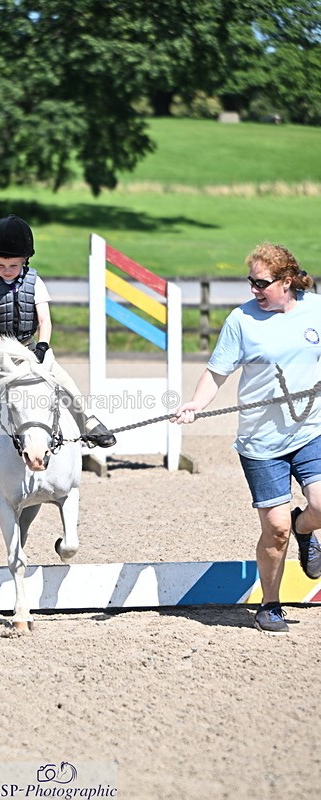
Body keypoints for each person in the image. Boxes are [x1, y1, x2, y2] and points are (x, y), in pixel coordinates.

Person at [174, 243, 321, 635]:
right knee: (275, 529)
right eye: (250, 282)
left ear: (287, 281)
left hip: (310, 431)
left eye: (262, 283)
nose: (254, 290)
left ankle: (305, 528)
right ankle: (269, 604)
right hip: (261, 441)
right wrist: (195, 404)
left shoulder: (315, 310)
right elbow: (217, 373)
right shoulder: (241, 320)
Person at [0, 214, 116, 465]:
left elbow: (45, 320)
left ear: (25, 260)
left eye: (13, 266)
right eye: (0, 265)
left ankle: (89, 421)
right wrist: (2, 356)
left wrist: (42, 345)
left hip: (30, 348)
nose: (7, 271)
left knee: (64, 380)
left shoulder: (35, 282)